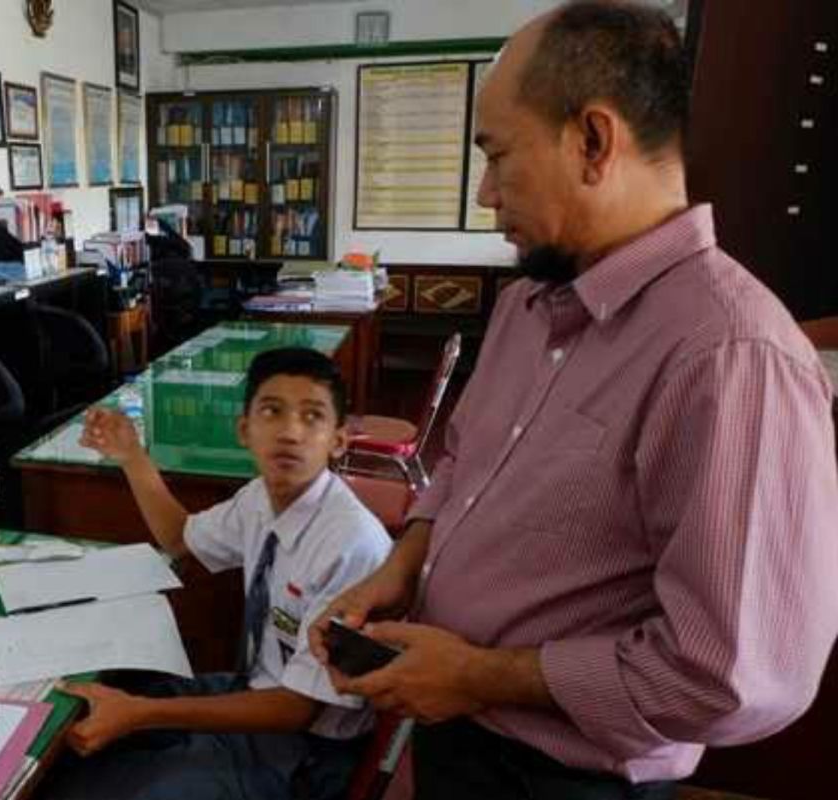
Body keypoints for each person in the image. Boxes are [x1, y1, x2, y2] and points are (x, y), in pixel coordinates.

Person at [308, 3, 838, 799]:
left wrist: (483, 676)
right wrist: (403, 566)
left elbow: (732, 675)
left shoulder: (730, 356)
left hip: (563, 777)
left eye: (498, 156)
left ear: (593, 141)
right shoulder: (528, 306)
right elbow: (462, 463)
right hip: (452, 726)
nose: (486, 194)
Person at [42, 347, 392, 800]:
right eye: (272, 411)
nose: (290, 431)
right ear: (244, 430)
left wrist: (141, 714)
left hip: (305, 752)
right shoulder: (257, 499)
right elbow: (178, 537)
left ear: (339, 440)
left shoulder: (350, 546)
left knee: (115, 770)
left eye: (313, 416)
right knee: (87, 720)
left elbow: (296, 710)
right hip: (251, 690)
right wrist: (131, 455)